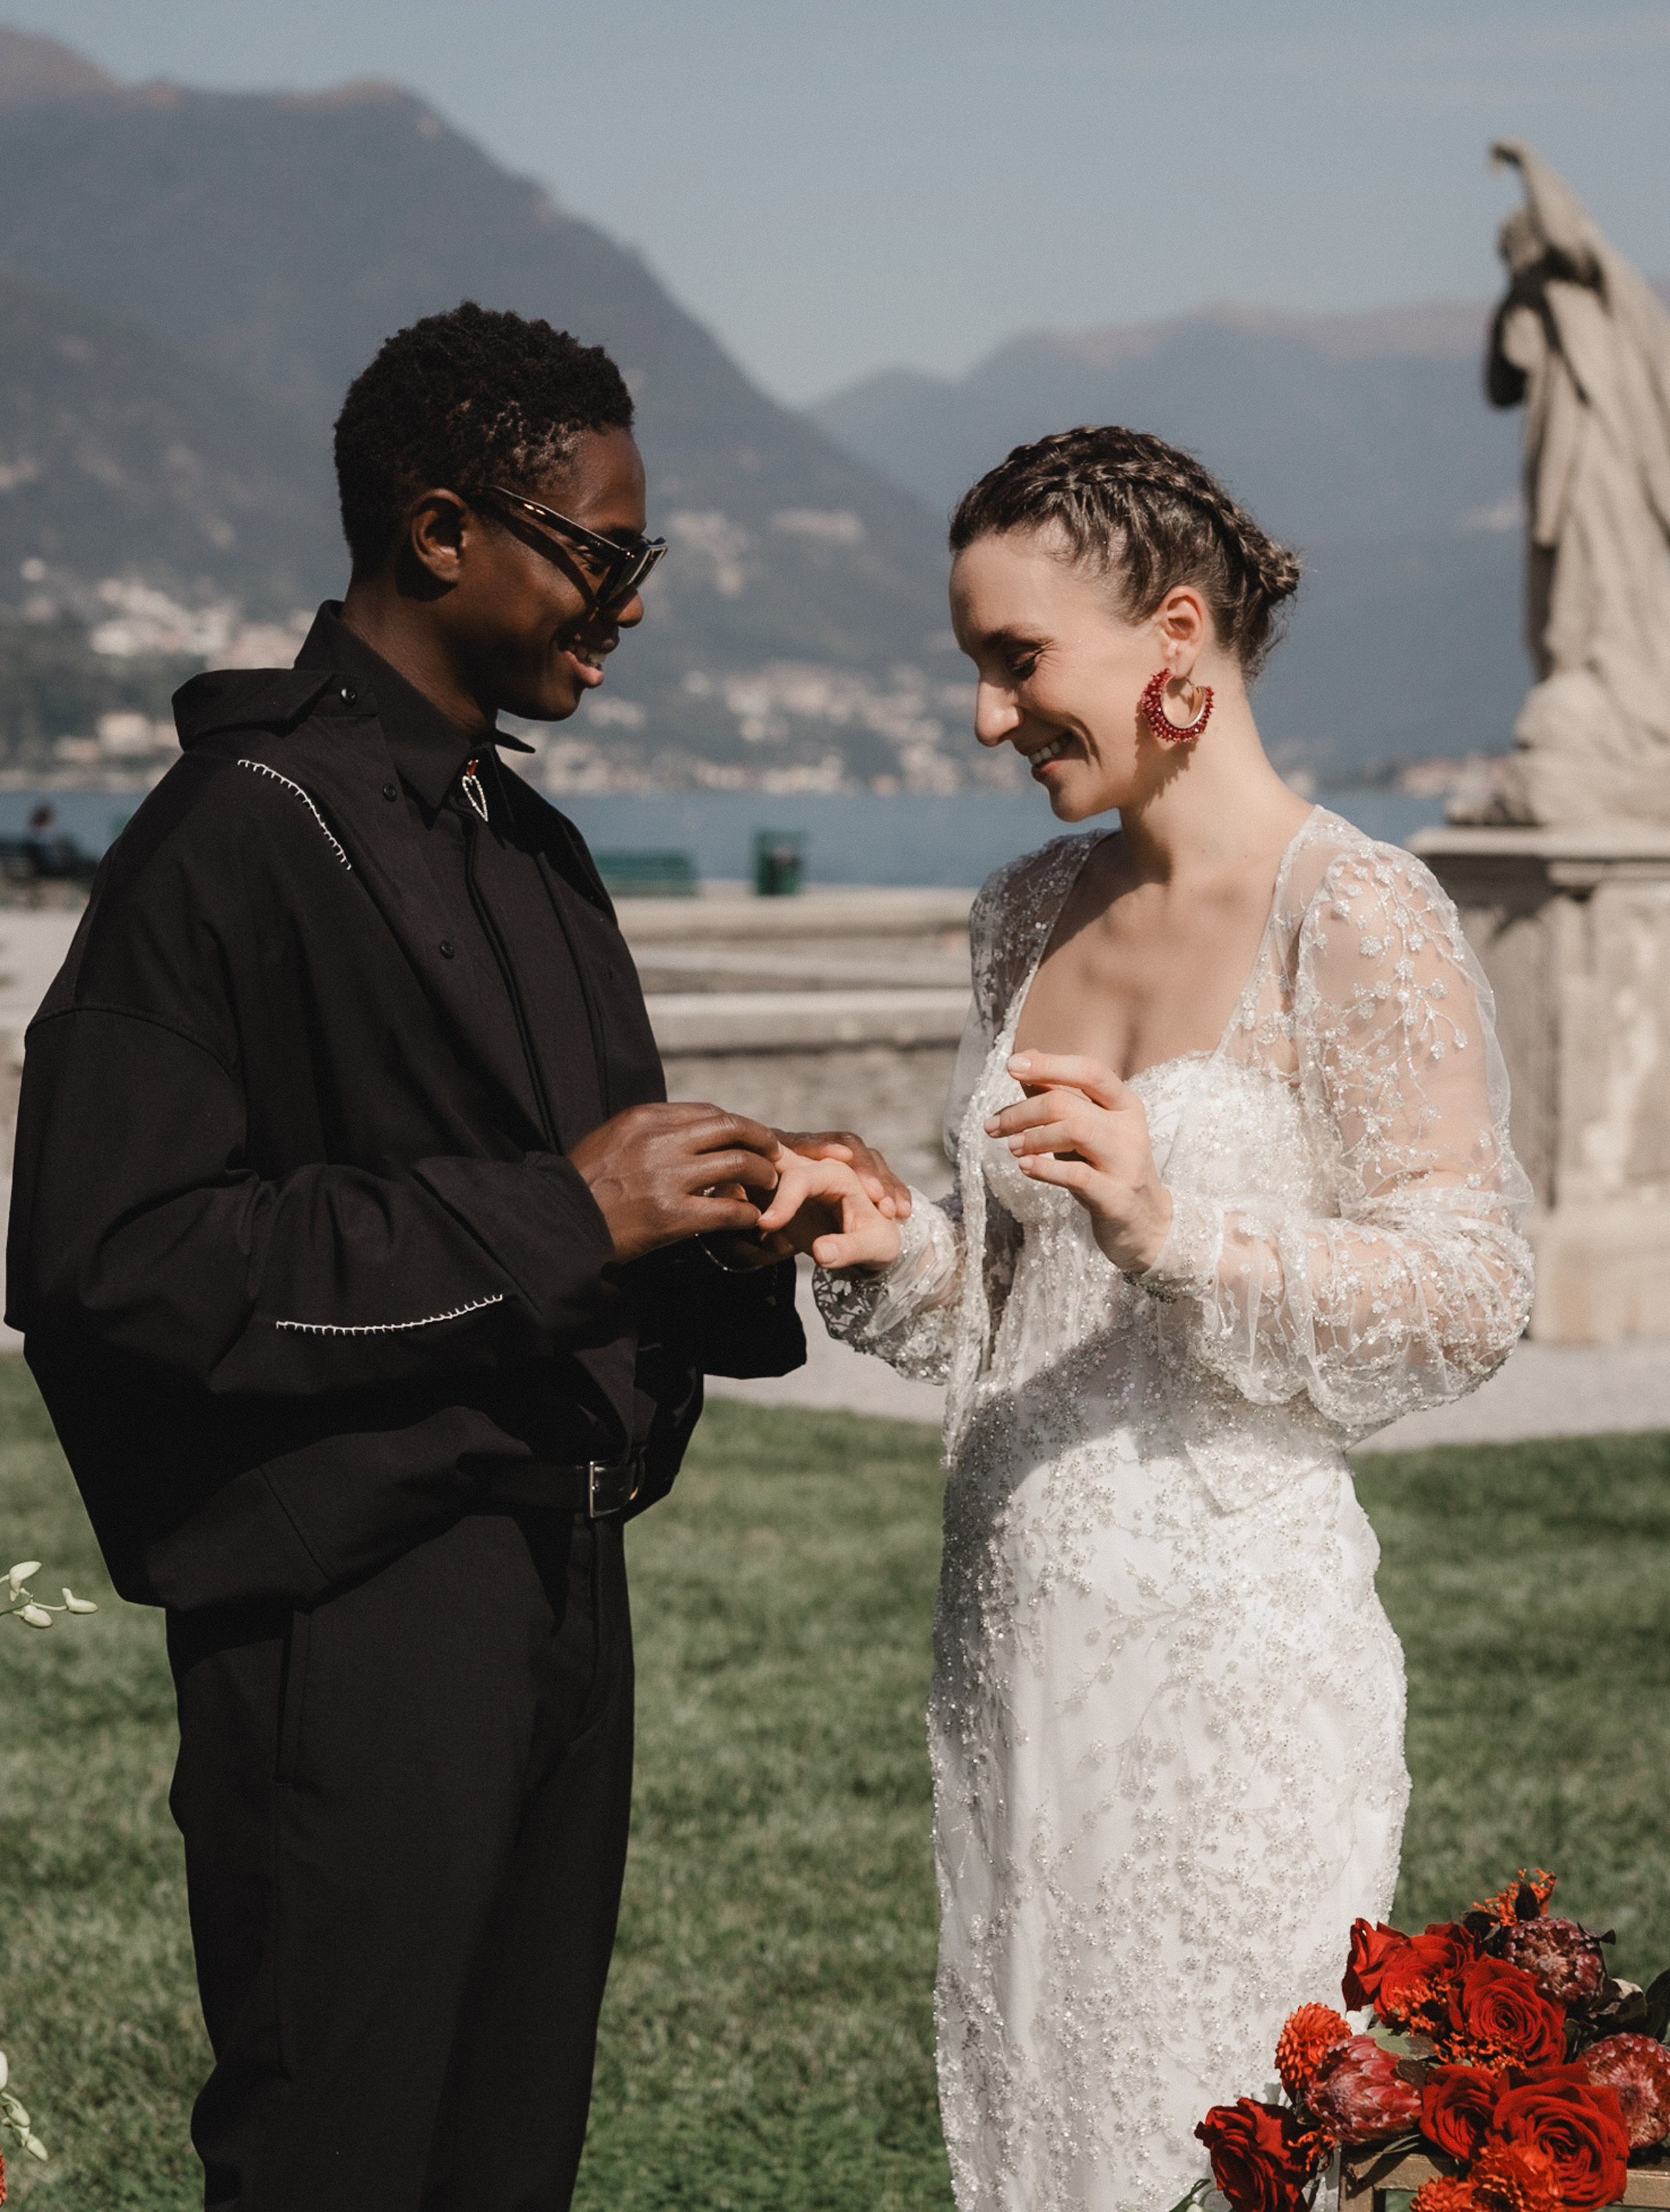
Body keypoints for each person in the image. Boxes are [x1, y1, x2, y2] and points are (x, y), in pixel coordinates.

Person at [4, 301, 897, 2212]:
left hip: (565, 1601)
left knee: (508, 2159)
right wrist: (570, 1211)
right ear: (438, 532)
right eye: (604, 551)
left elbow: (608, 1229)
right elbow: (110, 1259)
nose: (633, 602)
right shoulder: (232, 836)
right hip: (356, 1617)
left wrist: (749, 1216)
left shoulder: (537, 849)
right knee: (342, 2155)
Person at [759, 427, 1536, 2211]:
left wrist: (1181, 1225)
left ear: (1172, 634)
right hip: (1013, 1658)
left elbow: (1472, 1292)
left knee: (1210, 2151)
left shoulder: (1359, 912)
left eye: (1013, 661)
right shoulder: (1023, 913)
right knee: (1039, 2135)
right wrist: (883, 1242)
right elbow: (1020, 1313)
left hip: (1230, 1677)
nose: (983, 717)